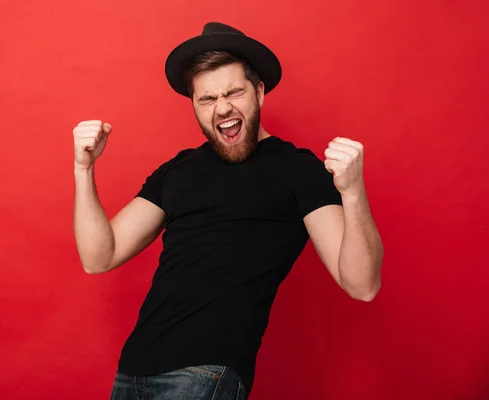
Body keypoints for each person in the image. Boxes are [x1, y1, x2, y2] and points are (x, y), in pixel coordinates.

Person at [73, 22, 383, 400]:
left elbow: (362, 284)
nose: (223, 107)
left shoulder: (297, 170)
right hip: (132, 372)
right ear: (195, 106)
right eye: (207, 99)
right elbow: (99, 256)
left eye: (234, 92)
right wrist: (84, 170)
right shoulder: (178, 170)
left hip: (206, 373)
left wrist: (352, 193)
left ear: (259, 92)